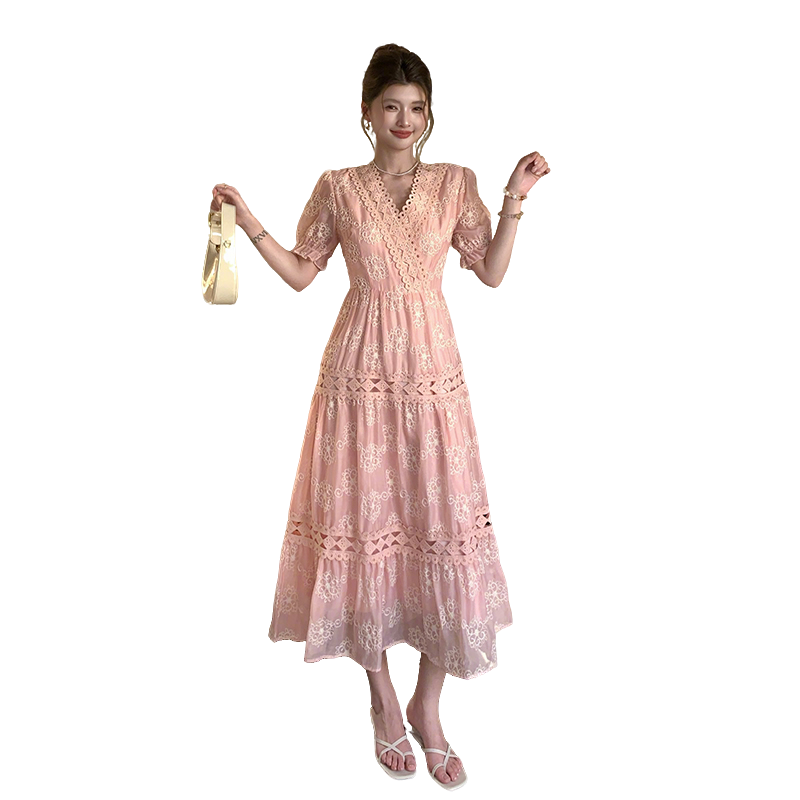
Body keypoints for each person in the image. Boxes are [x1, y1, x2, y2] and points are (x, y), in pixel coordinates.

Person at [209, 43, 549, 789]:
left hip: (431, 374)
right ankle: (383, 701)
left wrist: (514, 196)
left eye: (416, 108)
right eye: (391, 107)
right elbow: (303, 275)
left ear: (428, 117)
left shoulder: (456, 181)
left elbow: (490, 273)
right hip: (358, 373)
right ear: (367, 115)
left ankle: (428, 704)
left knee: (439, 525)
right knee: (363, 524)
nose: (404, 120)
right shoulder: (338, 186)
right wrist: (249, 220)